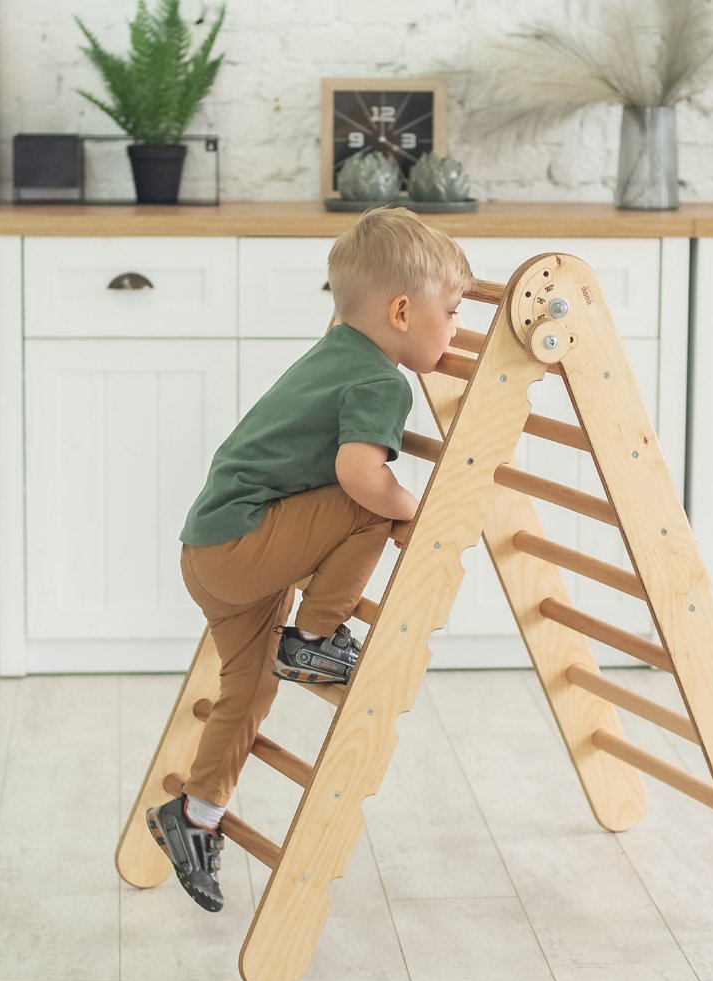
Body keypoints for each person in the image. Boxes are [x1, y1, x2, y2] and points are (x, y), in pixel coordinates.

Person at [146, 207, 473, 911]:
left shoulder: (334, 354)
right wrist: (415, 510)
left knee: (248, 688)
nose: (455, 332)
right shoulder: (382, 383)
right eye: (451, 311)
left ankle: (194, 816)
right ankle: (316, 639)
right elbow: (360, 477)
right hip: (244, 545)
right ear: (402, 309)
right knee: (372, 499)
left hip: (208, 548)